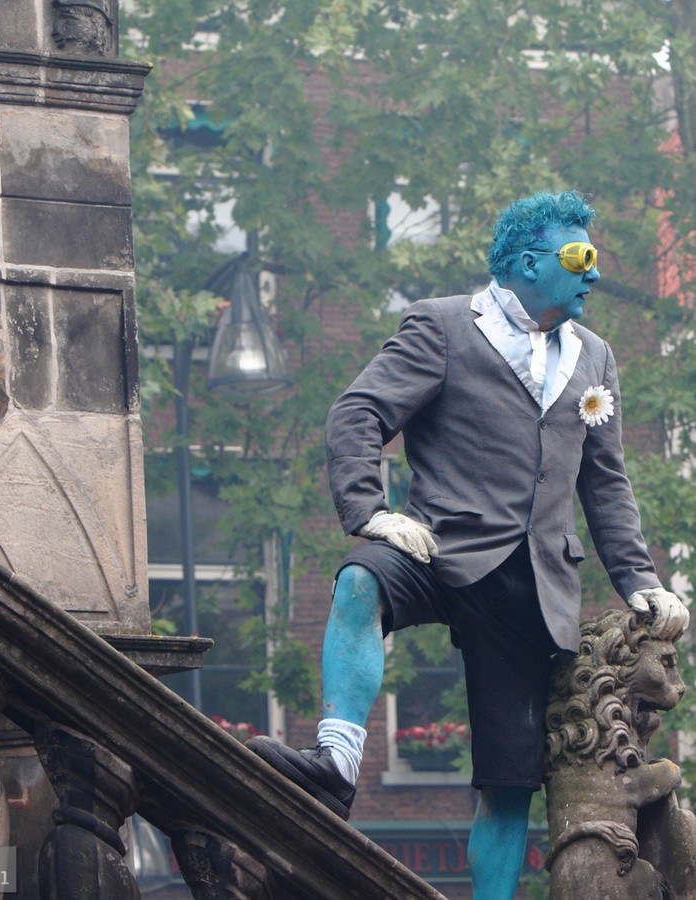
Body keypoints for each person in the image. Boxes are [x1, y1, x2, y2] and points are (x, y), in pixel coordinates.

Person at [246, 190, 690, 899]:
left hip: (534, 582)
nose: (593, 275)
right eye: (579, 258)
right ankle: (335, 763)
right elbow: (358, 412)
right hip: (440, 546)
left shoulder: (594, 357)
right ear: (526, 261)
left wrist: (639, 577)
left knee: (508, 784)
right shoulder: (443, 327)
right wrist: (370, 510)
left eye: (594, 260)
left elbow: (605, 483)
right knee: (361, 579)